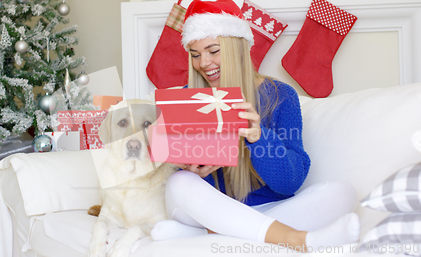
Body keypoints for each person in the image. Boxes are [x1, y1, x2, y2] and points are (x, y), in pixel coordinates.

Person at [150, 0, 360, 252]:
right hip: (210, 207)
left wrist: (259, 137)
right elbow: (178, 181)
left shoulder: (280, 96)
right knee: (179, 183)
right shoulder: (186, 97)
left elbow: (290, 183)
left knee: (343, 193)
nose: (203, 63)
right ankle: (296, 239)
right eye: (195, 55)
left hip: (268, 208)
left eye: (213, 50)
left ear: (236, 47)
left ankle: (210, 234)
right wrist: (186, 167)